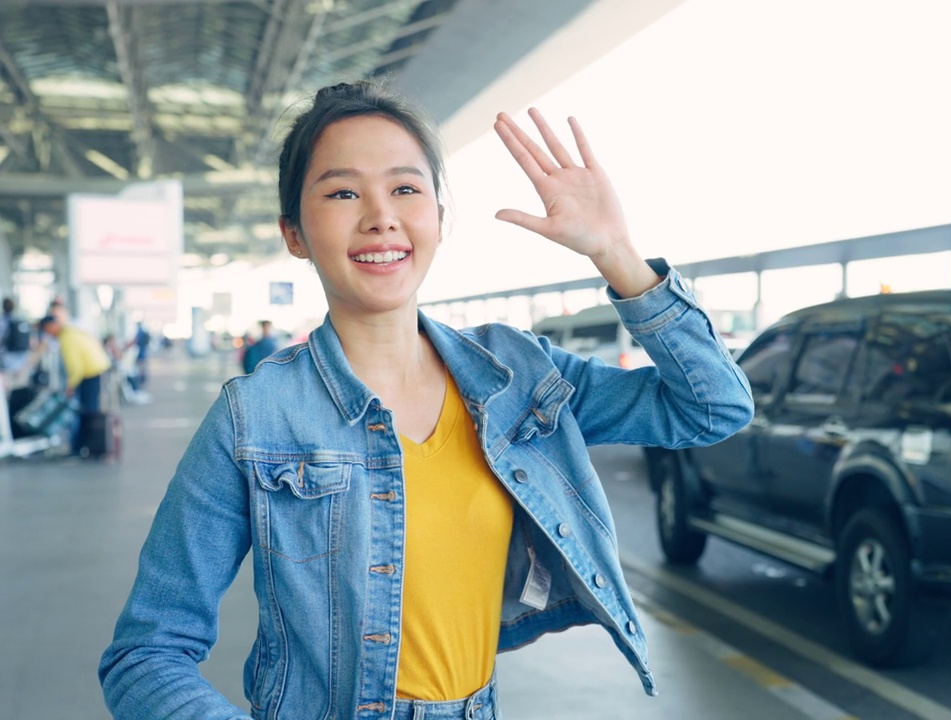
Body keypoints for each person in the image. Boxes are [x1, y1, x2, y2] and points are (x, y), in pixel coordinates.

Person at [99, 79, 752, 720]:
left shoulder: (517, 373)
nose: (380, 214)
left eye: (406, 188)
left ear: (439, 217)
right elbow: (146, 652)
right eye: (343, 191)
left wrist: (616, 253)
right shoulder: (256, 417)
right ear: (293, 232)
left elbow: (711, 407)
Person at [38, 313, 111, 457]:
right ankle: (88, 447)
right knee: (89, 409)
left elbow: (75, 366)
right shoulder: (72, 331)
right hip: (96, 370)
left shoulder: (67, 339)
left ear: (51, 326)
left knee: (87, 411)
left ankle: (86, 447)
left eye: (47, 331)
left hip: (89, 374)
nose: (48, 335)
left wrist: (71, 386)